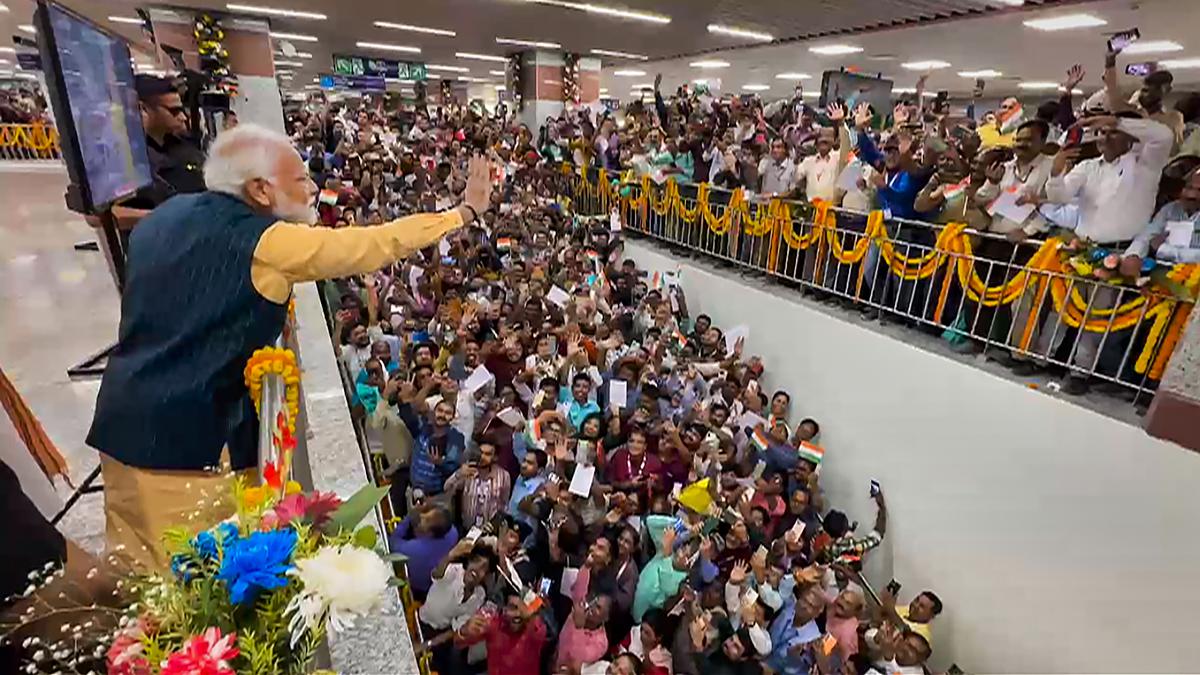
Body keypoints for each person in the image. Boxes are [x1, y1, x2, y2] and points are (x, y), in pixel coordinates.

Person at [86, 124, 492, 569]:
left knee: (130, 569)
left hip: (121, 418)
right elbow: (371, 244)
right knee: (184, 587)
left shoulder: (164, 216)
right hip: (186, 445)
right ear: (259, 189)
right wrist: (463, 213)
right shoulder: (267, 241)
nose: (314, 188)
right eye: (300, 180)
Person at [1022, 113, 1174, 393]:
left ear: (1130, 137)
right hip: (1081, 249)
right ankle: (1039, 359)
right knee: (1062, 308)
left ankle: (1080, 373)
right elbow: (1060, 196)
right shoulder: (1088, 167)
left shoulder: (1146, 165)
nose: (1104, 138)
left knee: (1096, 317)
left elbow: (1164, 136)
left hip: (1118, 252)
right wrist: (1056, 173)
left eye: (1111, 132)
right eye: (1101, 133)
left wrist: (1117, 120)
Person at [124, 74, 207, 210]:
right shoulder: (127, 159)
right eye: (173, 111)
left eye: (181, 110)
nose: (182, 117)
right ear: (143, 109)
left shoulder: (185, 147)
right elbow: (99, 217)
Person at [454, 587, 549, 675]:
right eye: (513, 607)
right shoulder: (495, 623)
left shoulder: (534, 627)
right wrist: (464, 630)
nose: (518, 614)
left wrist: (532, 614)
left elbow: (541, 632)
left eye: (523, 609)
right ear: (504, 609)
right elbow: (458, 643)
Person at [444, 441, 512, 529]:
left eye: (487, 454)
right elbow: (446, 488)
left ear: (495, 457)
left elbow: (504, 504)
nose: (482, 457)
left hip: (490, 530)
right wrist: (458, 474)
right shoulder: (466, 472)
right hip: (467, 529)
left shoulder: (503, 476)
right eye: (480, 453)